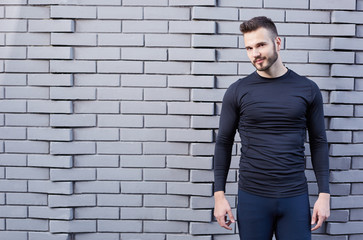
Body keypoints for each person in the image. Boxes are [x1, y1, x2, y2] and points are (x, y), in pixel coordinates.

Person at [213, 16, 330, 240]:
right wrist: (219, 196)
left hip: (294, 196)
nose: (254, 53)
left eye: (260, 44)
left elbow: (318, 142)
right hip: (252, 197)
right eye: (249, 47)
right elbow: (224, 143)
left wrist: (324, 194)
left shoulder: (308, 89)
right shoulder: (237, 91)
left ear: (278, 42)